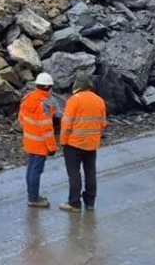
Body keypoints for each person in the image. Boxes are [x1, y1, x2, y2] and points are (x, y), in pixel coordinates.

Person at [58, 72, 108, 213]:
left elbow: (67, 123)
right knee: (90, 172)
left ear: (78, 86)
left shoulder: (74, 100)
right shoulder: (99, 101)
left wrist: (63, 141)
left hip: (74, 143)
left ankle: (74, 203)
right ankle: (90, 202)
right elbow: (102, 123)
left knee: (74, 173)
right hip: (91, 144)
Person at [19, 72, 58, 208]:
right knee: (36, 170)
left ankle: (32, 194)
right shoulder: (44, 104)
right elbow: (46, 128)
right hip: (40, 143)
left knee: (31, 168)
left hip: (29, 140)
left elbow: (21, 119)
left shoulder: (27, 98)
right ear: (47, 87)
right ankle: (33, 198)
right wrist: (52, 147)